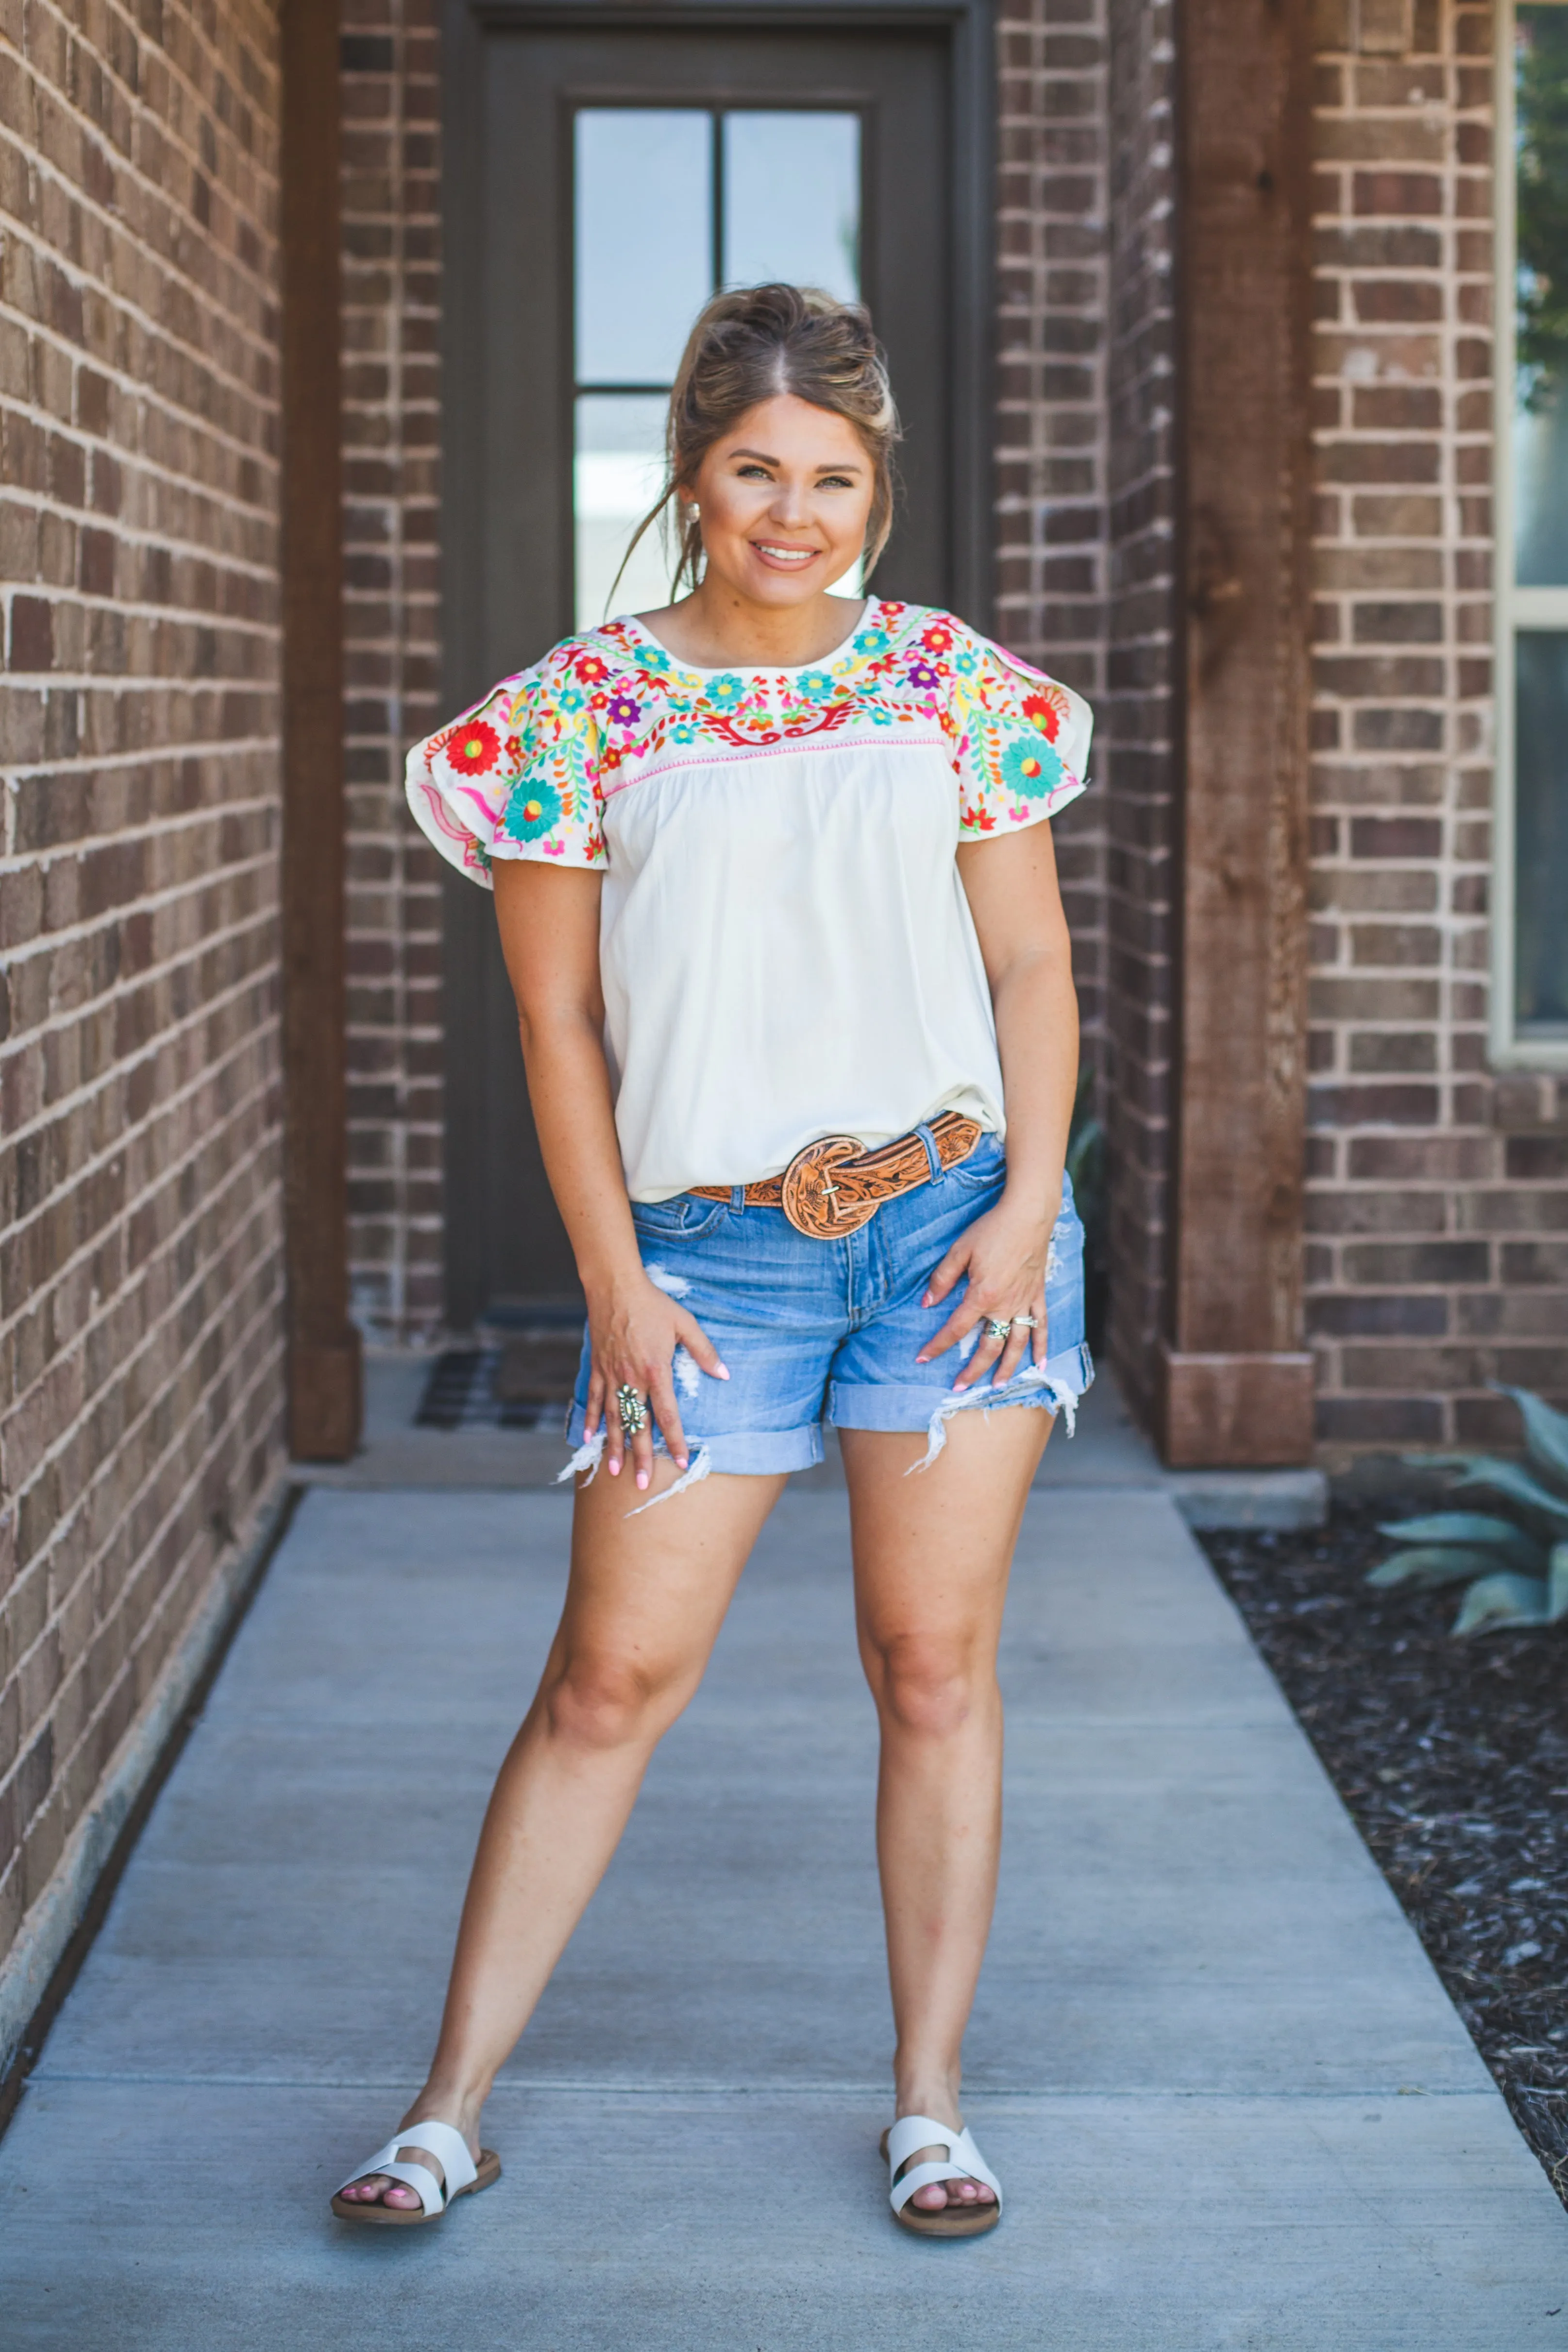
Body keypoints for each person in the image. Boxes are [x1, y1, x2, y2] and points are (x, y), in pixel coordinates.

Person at [332, 283, 1093, 2239]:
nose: (794, 511)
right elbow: (559, 1032)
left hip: (953, 1232)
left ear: (878, 490)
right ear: (693, 473)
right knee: (608, 1677)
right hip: (703, 1260)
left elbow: (1027, 971)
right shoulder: (577, 712)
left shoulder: (948, 687)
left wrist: (1025, 1208)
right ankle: (448, 2109)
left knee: (932, 1666)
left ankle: (930, 2105)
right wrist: (613, 1278)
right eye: (756, 469)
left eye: (832, 477)